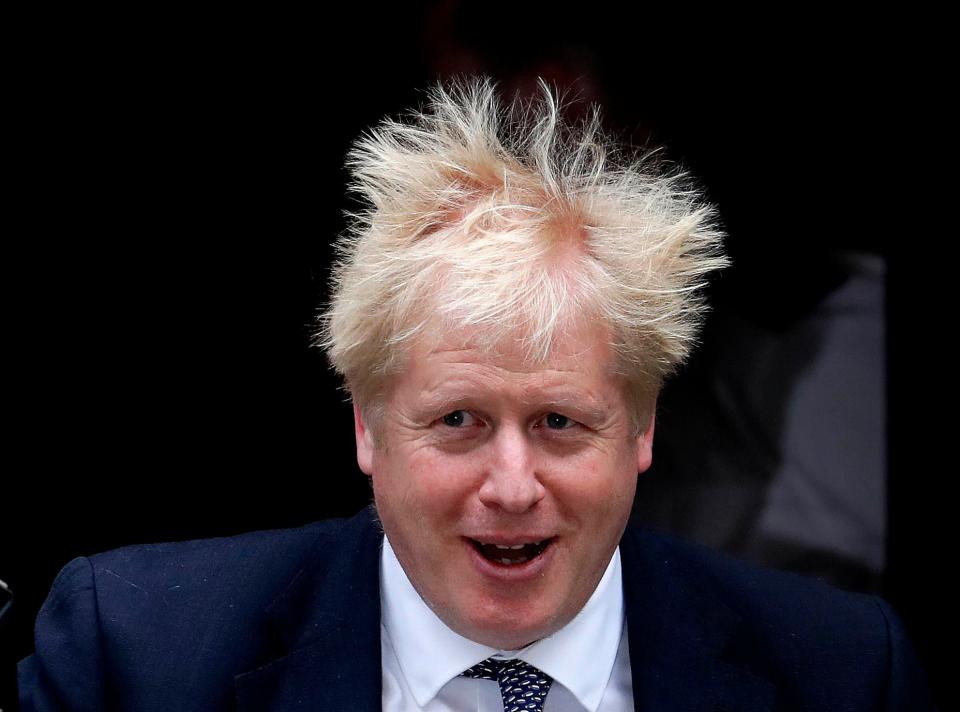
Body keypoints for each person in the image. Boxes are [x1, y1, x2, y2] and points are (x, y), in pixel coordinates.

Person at [18, 78, 933, 711]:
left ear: (644, 428)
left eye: (559, 423)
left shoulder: (844, 673)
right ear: (368, 426)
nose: (511, 485)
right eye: (458, 420)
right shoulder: (134, 654)